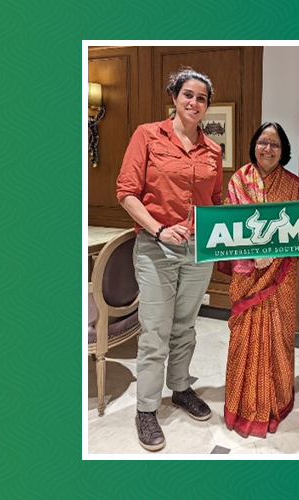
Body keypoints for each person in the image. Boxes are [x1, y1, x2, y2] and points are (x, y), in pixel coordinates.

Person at [116, 68, 222, 452]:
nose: (195, 103)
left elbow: (216, 201)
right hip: (156, 247)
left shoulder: (213, 150)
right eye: (188, 95)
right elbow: (126, 192)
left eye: (202, 98)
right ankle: (146, 408)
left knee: (185, 326)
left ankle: (180, 389)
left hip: (198, 251)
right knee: (156, 330)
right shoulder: (147, 135)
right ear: (174, 97)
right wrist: (160, 229)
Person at [218, 123, 299, 438]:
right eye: (263, 142)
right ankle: (242, 406)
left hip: (280, 277)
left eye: (275, 144)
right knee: (245, 336)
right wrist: (254, 258)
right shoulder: (239, 180)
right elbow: (229, 228)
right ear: (254, 144)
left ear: (284, 150)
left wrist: (273, 257)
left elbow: (298, 231)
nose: (268, 149)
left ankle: (276, 401)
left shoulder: (293, 185)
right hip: (248, 274)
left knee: (278, 336)